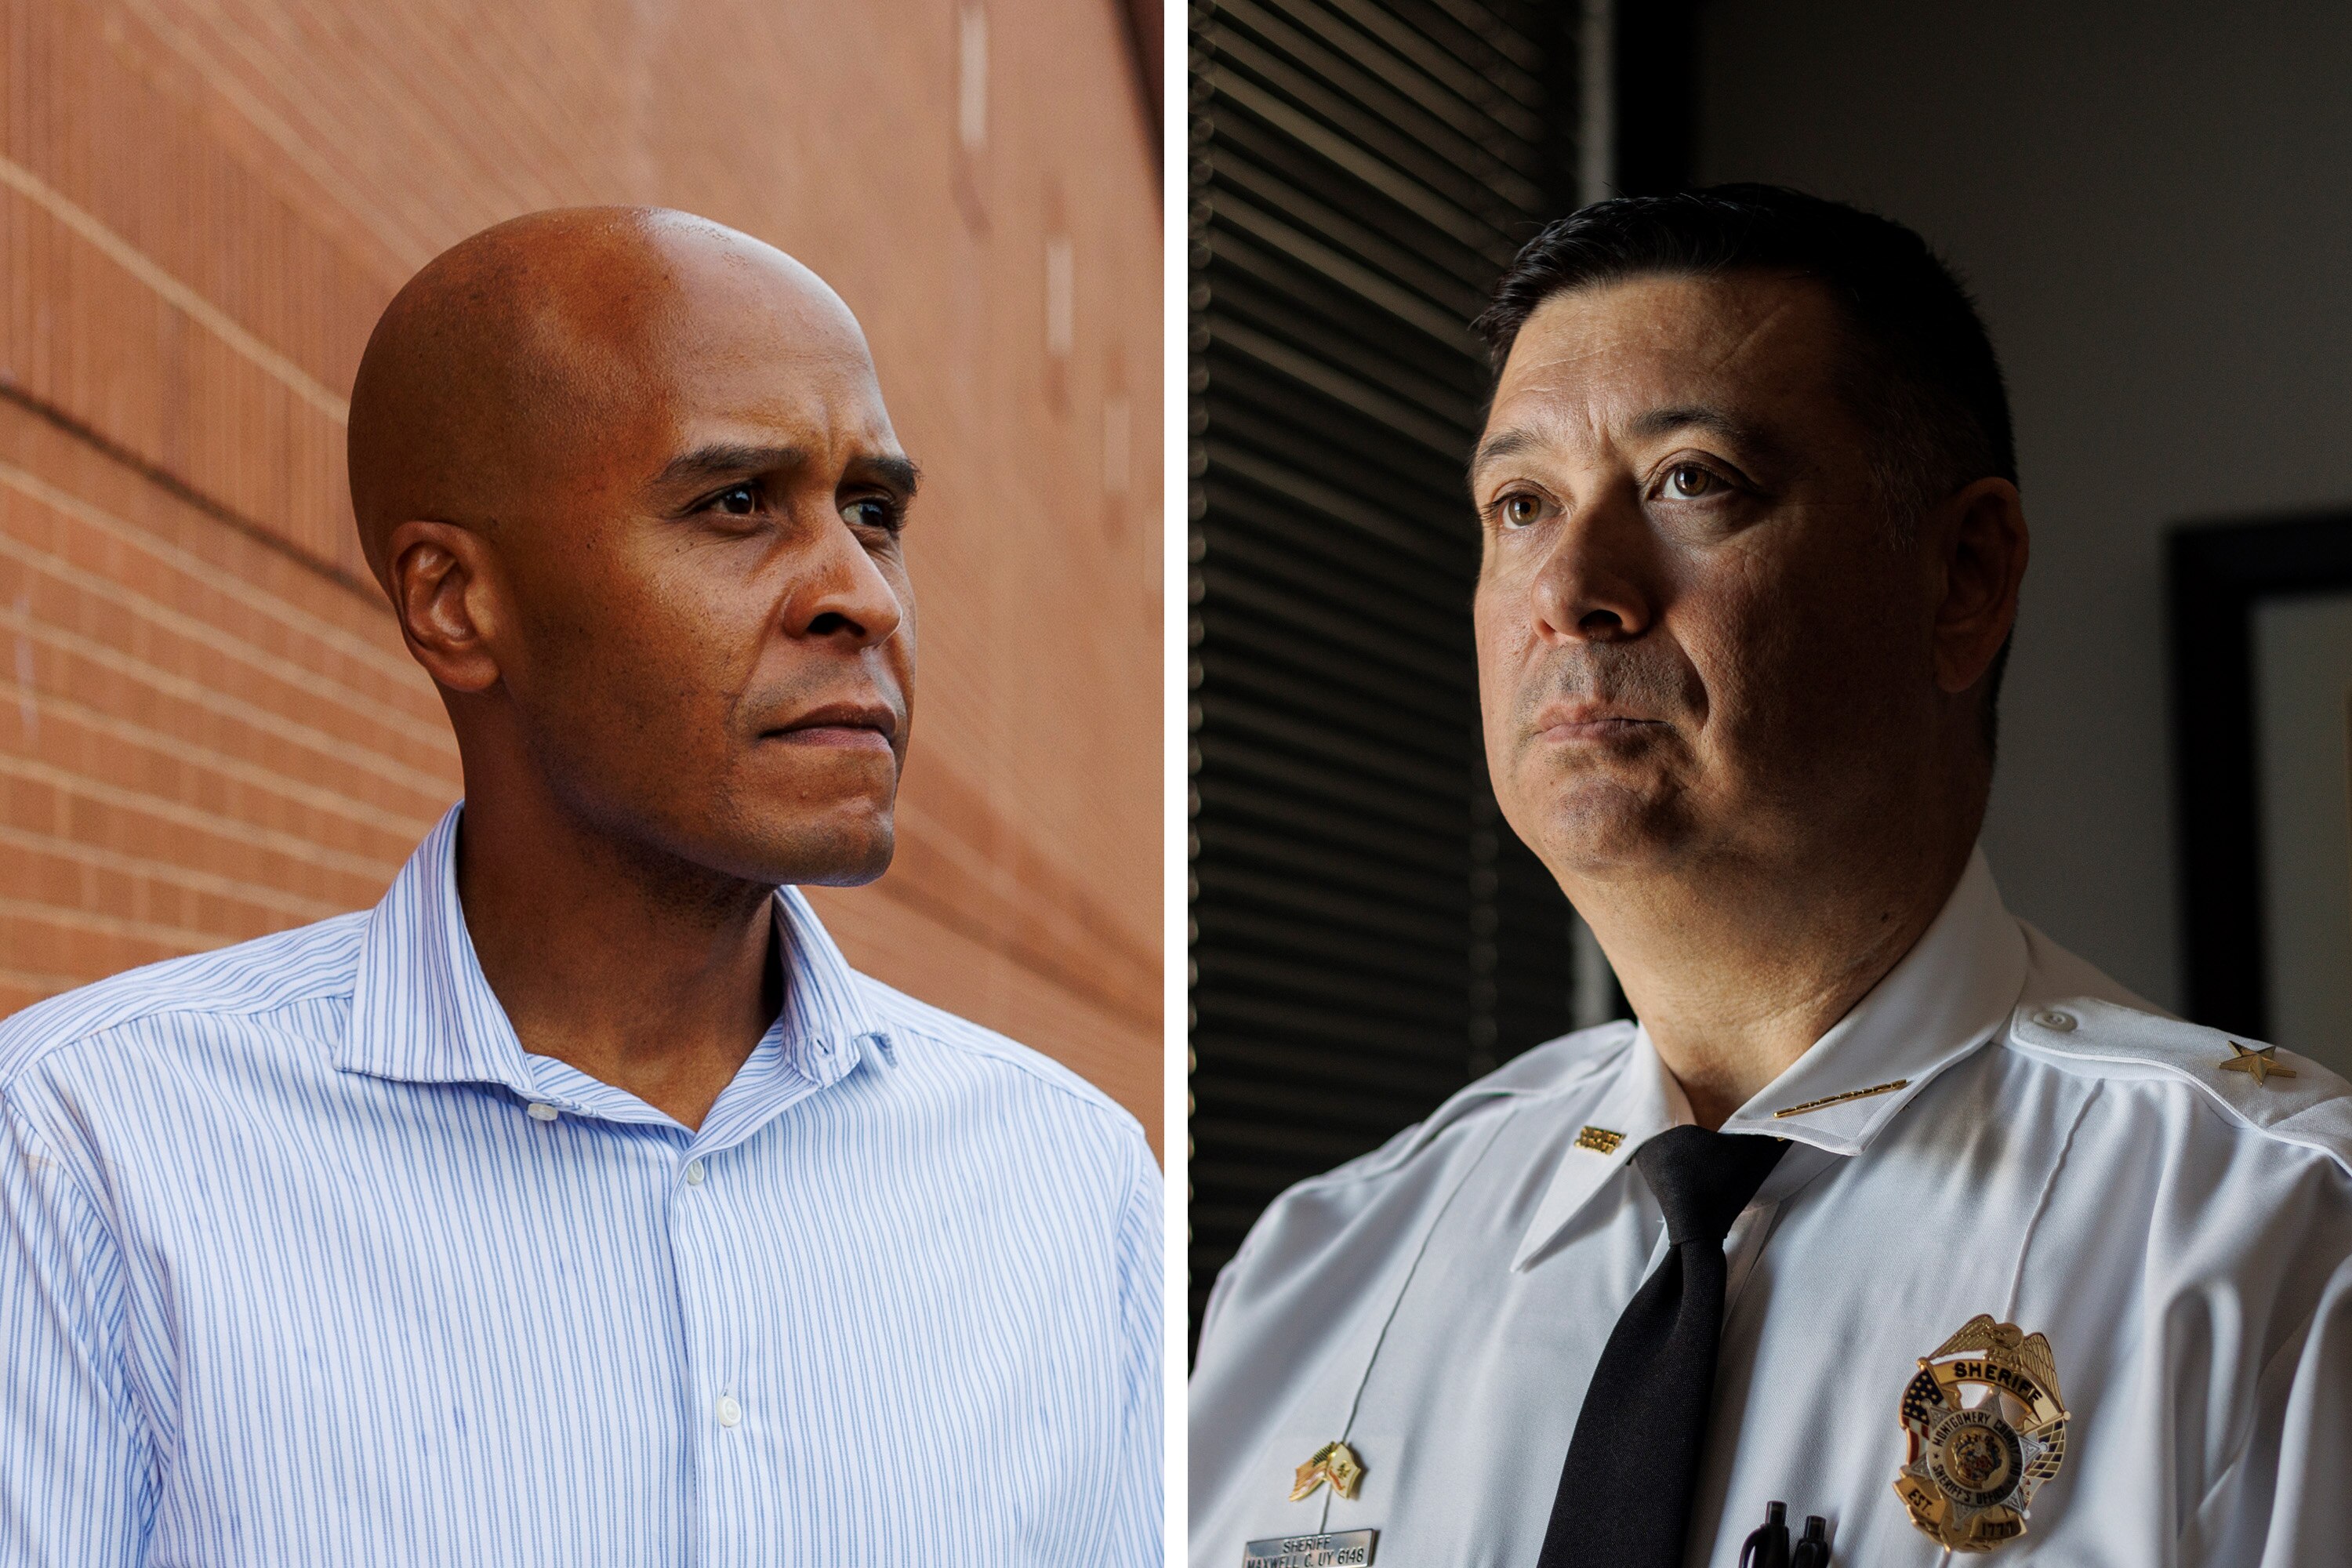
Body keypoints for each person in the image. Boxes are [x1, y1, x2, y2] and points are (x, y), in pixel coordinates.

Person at [1189, 187, 2352, 1568]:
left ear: (1963, 578)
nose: (1571, 587)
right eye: (1520, 504)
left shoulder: (2276, 1252)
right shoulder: (1318, 1275)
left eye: (1691, 481)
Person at [0, 209, 1160, 1566]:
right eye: (737, 504)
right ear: (452, 602)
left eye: (874, 514)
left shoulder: (1067, 1182)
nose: (865, 597)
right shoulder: (85, 1154)